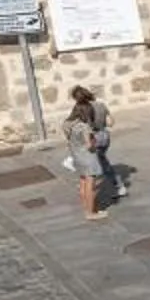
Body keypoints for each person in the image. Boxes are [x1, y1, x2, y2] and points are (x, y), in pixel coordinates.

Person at [62, 88, 106, 222]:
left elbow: (69, 139)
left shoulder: (67, 124)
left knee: (82, 182)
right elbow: (88, 145)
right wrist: (95, 141)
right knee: (90, 184)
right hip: (87, 157)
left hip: (76, 155)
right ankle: (91, 212)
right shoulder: (84, 127)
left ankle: (86, 208)